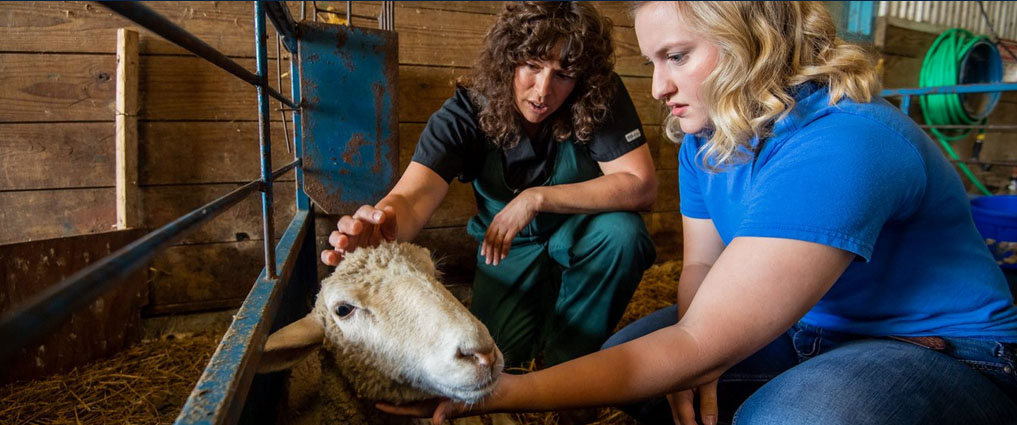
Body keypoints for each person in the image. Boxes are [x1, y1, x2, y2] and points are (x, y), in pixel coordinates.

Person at [378, 2, 1017, 424]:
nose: (658, 87)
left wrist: (497, 394)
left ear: (753, 44)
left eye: (676, 57)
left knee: (793, 415)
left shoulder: (845, 145)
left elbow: (693, 338)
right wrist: (694, 357)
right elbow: (701, 276)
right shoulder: (709, 144)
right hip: (803, 330)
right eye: (655, 62)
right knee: (638, 362)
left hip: (939, 348)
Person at [320, 1, 657, 369]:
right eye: (532, 65)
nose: (543, 90)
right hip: (505, 246)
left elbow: (640, 185)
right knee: (494, 362)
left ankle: (569, 365)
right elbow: (414, 195)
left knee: (623, 233)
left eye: (563, 74)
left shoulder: (596, 97)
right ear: (508, 59)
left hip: (578, 232)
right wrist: (384, 223)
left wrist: (536, 198)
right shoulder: (464, 115)